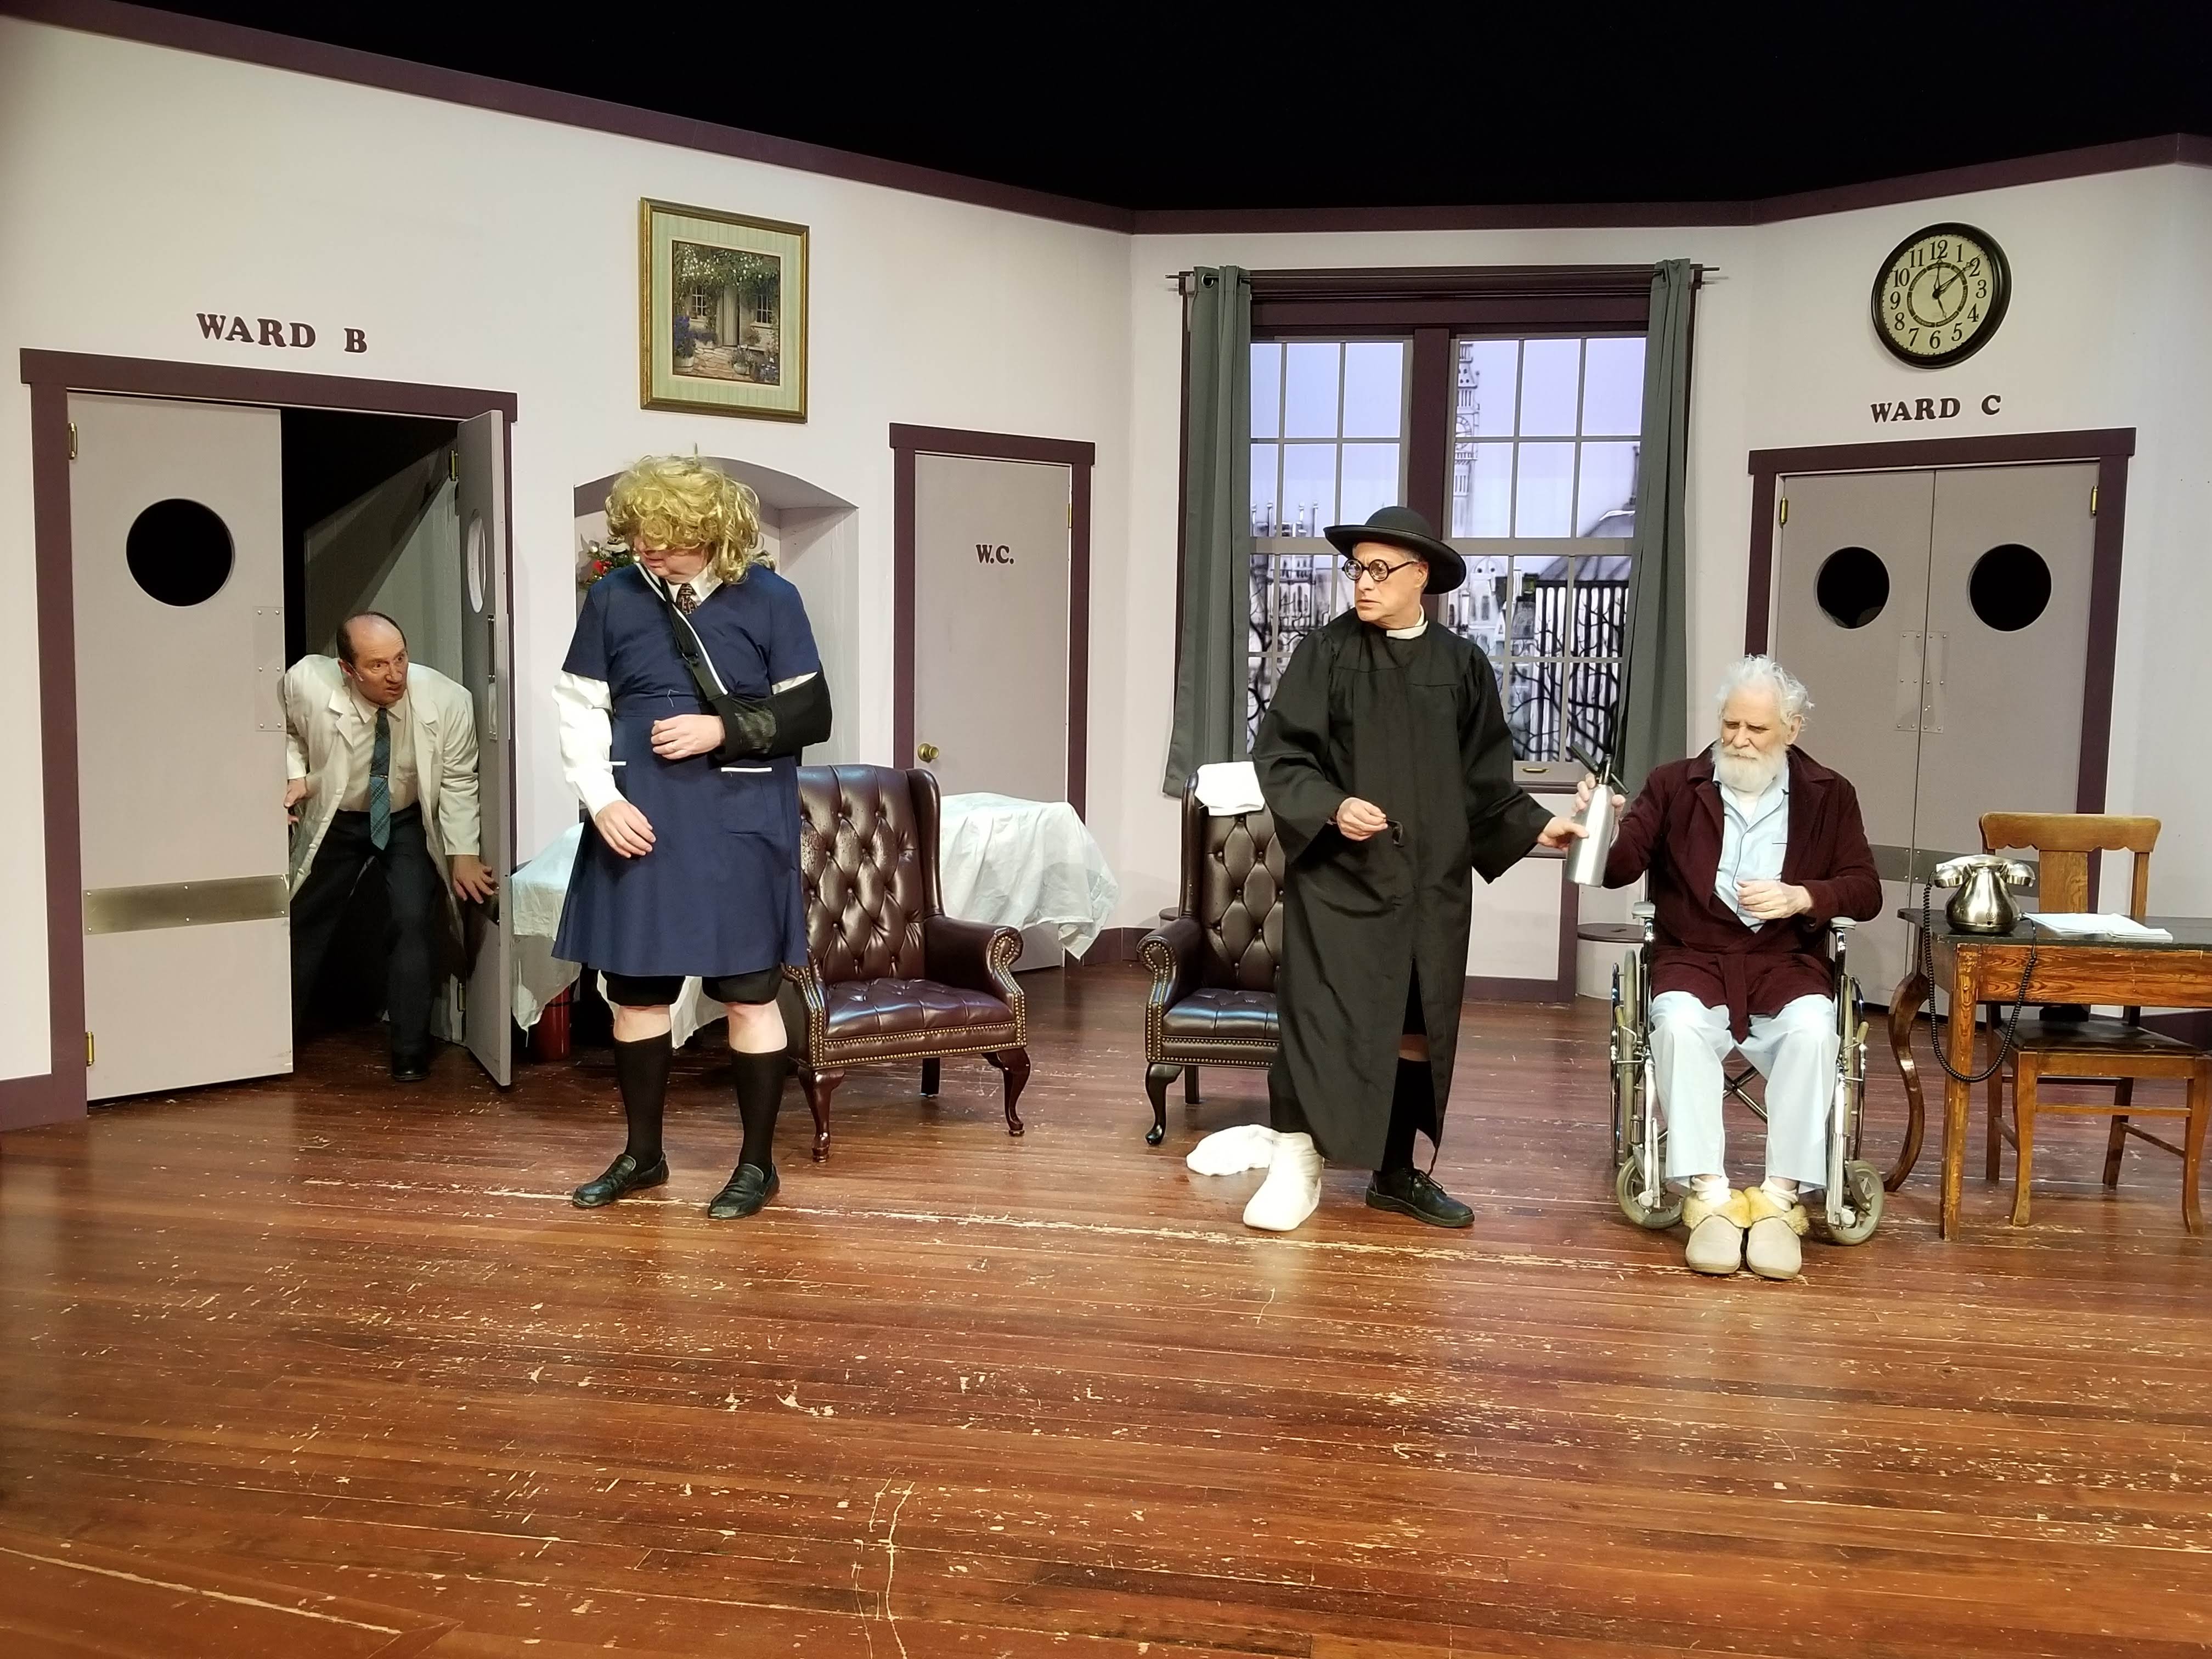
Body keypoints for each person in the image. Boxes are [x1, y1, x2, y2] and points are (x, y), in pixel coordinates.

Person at [1194, 505, 1586, 1234]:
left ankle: (1396, 1173)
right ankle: (1299, 1161)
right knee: (1319, 1022)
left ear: (1421, 576)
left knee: (1415, 1025)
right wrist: (1333, 805)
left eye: (1380, 570)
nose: (1363, 584)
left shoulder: (1461, 666)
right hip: (1342, 884)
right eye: (1358, 568)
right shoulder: (1326, 654)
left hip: (1430, 888)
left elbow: (1485, 782)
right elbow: (1282, 757)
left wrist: (1540, 825)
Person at [554, 456, 831, 1220]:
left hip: (740, 821)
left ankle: (757, 1166)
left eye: (667, 538)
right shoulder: (614, 596)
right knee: (636, 994)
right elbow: (579, 705)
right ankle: (643, 1155)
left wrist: (723, 728)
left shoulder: (772, 598)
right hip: (637, 817)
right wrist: (602, 801)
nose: (648, 549)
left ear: (712, 532)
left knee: (748, 996)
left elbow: (812, 714)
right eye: (639, 535)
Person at [1576, 654, 1881, 1280]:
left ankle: (1780, 1201)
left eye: (1757, 729)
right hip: (1693, 956)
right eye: (1730, 724)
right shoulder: (1673, 785)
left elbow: (1865, 889)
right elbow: (1618, 868)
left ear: (1792, 729)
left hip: (1785, 959)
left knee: (1814, 1031)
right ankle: (1709, 1198)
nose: (1739, 739)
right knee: (1678, 1026)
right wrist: (1599, 823)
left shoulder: (1830, 794)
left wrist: (1803, 897)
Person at [283, 612, 496, 1081]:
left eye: (401, 658)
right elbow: (287, 732)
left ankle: (410, 1051)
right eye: (378, 665)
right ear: (348, 669)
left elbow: (459, 780)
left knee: (412, 919)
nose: (395, 674)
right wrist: (295, 775)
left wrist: (463, 852)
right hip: (338, 816)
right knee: (304, 918)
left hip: (403, 817)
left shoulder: (447, 699)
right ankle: (274, 1037)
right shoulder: (307, 684)